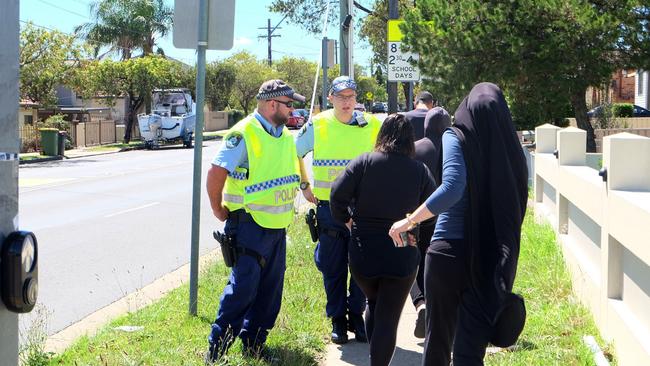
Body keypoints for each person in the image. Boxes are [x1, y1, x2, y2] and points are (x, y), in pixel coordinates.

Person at [389, 82, 528, 366]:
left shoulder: (456, 136)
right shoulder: (511, 150)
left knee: (438, 343)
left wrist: (410, 220)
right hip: (487, 260)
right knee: (469, 352)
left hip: (447, 255)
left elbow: (452, 186)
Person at [205, 79, 305, 362]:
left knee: (270, 293)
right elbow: (216, 172)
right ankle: (217, 351)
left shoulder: (285, 135)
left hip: (276, 228)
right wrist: (218, 209)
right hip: (248, 226)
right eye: (289, 104)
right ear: (272, 104)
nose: (292, 110)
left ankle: (254, 345)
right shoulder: (245, 132)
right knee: (242, 291)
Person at [330, 114, 435, 365]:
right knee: (388, 316)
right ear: (410, 140)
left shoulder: (363, 162)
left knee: (375, 303)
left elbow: (336, 196)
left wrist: (347, 220)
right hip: (402, 253)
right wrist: (417, 236)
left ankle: (374, 357)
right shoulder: (420, 170)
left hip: (363, 253)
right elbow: (432, 211)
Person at [295, 75, 382, 344]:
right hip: (329, 210)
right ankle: (337, 320)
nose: (347, 102)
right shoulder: (317, 125)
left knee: (361, 268)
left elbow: (386, 159)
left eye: (351, 97)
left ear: (357, 100)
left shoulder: (371, 125)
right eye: (341, 97)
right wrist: (304, 183)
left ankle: (357, 315)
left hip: (363, 210)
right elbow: (294, 152)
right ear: (330, 98)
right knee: (333, 269)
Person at [409, 107, 452, 339]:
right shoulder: (456, 150)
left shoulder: (414, 149)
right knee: (437, 264)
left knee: (412, 262)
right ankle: (439, 310)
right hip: (447, 217)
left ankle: (421, 304)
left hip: (417, 215)